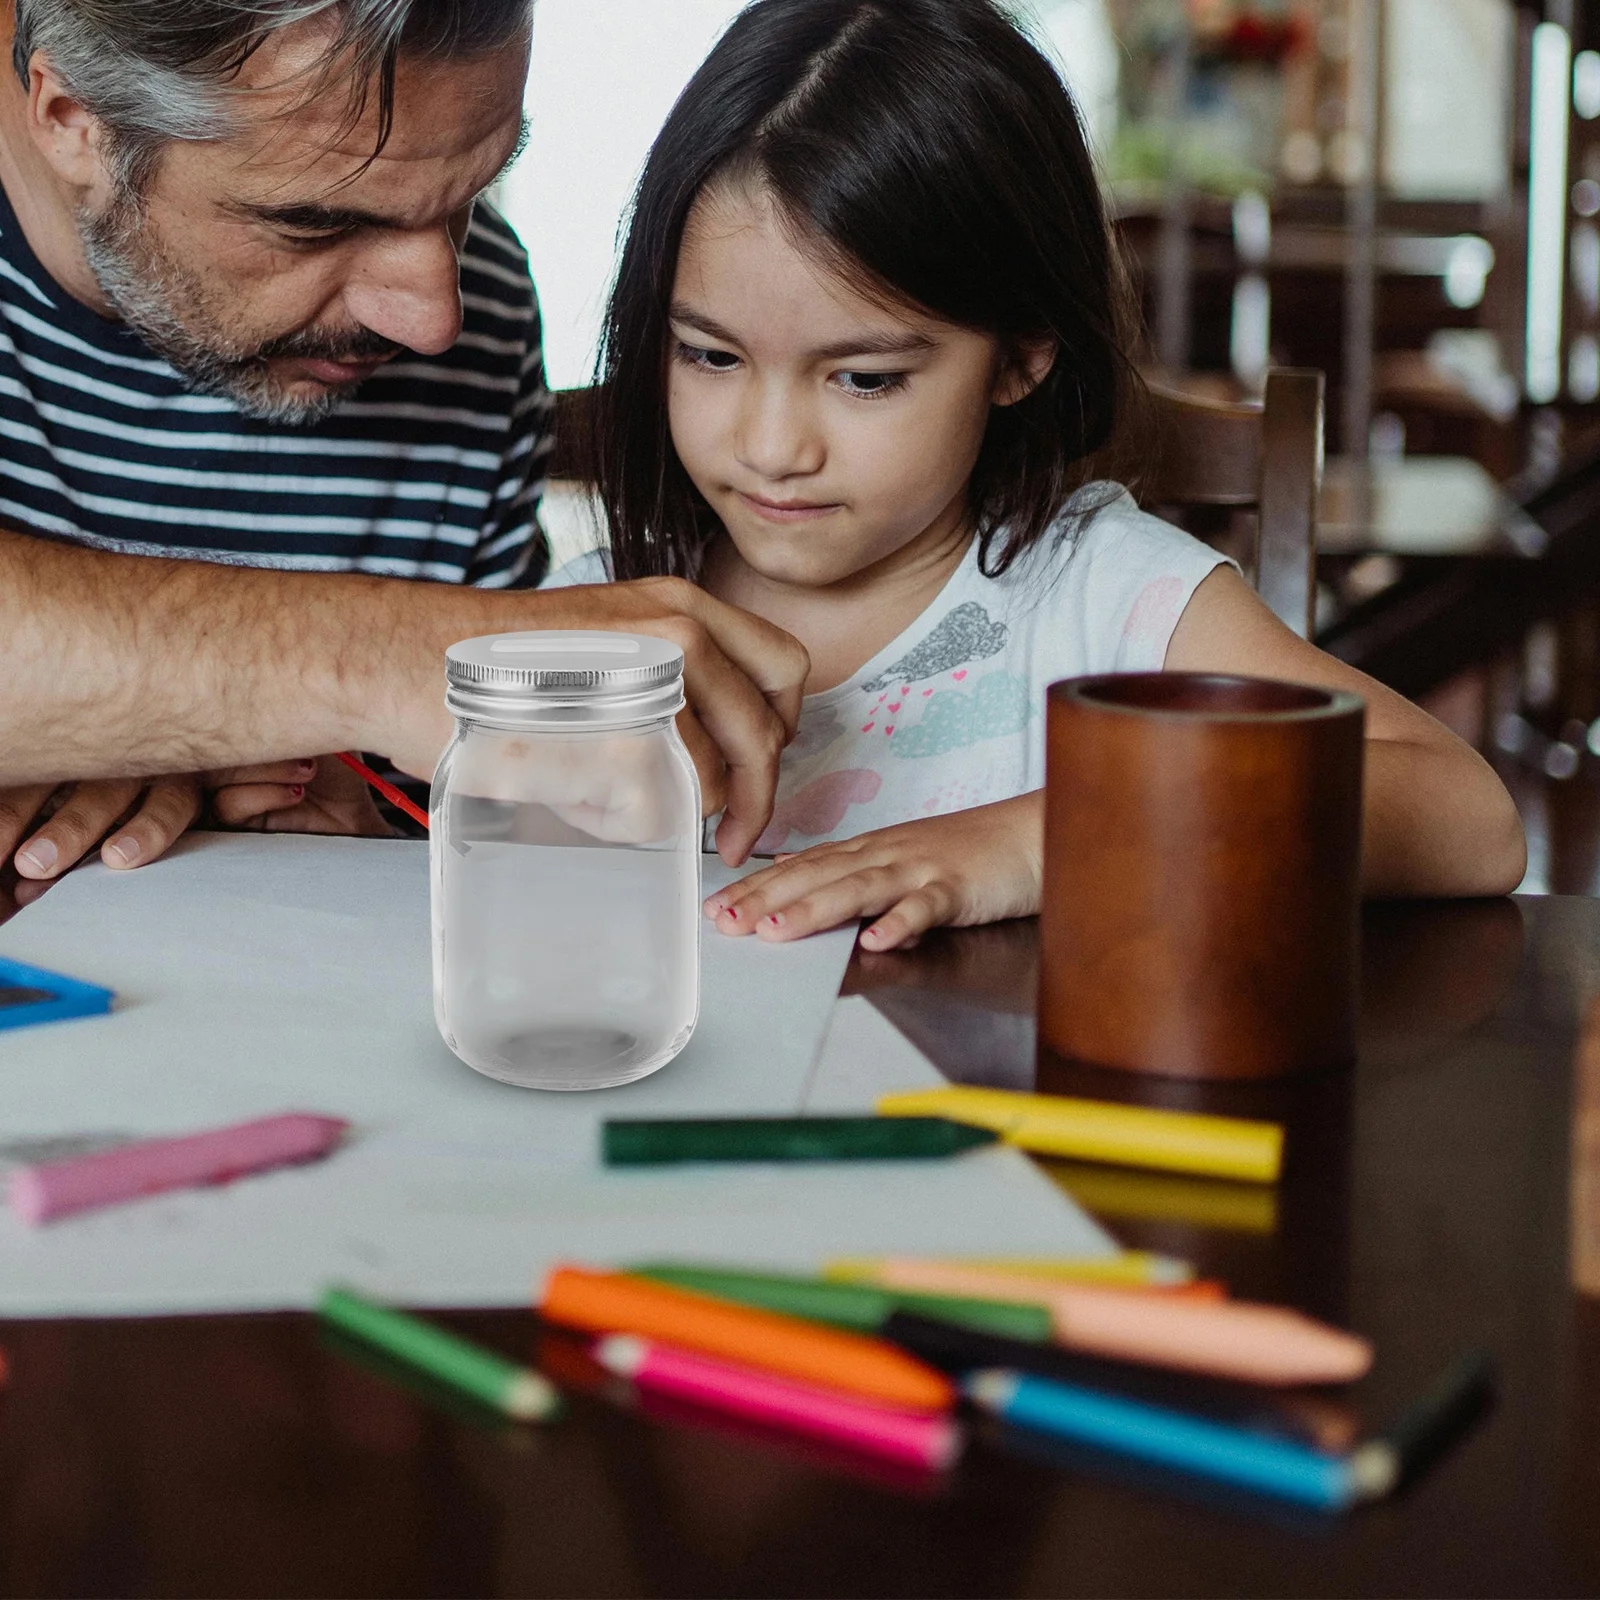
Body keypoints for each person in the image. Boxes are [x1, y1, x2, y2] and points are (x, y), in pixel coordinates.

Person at [548, 0, 1526, 951]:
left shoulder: (1100, 597)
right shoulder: (606, 612)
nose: (771, 445)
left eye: (863, 377)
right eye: (711, 357)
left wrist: (1033, 840)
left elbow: (1467, 815)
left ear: (1021, 355)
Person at [0, 0, 806, 883]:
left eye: (466, 200)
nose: (433, 320)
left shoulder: (483, 301)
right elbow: (415, 675)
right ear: (71, 119)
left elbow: (448, 817)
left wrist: (362, 819)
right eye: (316, 223)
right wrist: (386, 658)